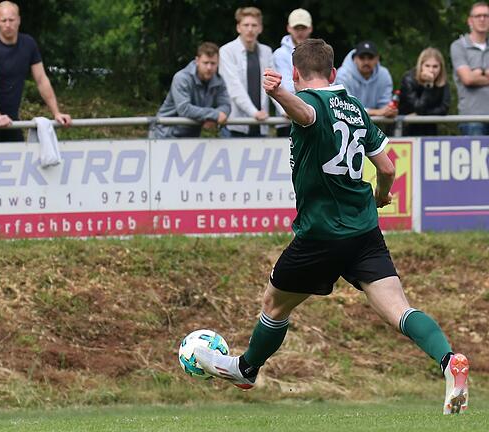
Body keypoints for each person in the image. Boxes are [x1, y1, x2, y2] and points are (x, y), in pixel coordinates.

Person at [194, 39, 469, 416]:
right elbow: (387, 168)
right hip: (363, 232)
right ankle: (449, 360)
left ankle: (245, 370)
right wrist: (381, 195)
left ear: (295, 73)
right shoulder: (355, 108)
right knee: (399, 310)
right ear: (335, 72)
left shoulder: (313, 104)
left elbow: (305, 113)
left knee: (274, 305)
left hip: (321, 234)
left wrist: (278, 94)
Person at [0, 1, 72, 143]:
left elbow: (41, 80)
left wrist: (56, 113)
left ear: (19, 20)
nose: (8, 25)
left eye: (11, 20)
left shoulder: (28, 44)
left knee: (19, 158)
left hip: (11, 118)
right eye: (3, 20)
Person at [149, 42, 230, 139]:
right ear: (197, 61)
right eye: (205, 63)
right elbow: (184, 109)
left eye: (213, 63)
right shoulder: (182, 78)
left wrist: (215, 117)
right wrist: (214, 115)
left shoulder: (219, 80)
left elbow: (226, 105)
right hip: (164, 135)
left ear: (218, 63)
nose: (209, 67)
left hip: (190, 138)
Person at [219, 6, 272, 137]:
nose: (250, 29)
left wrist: (285, 111)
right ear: (238, 27)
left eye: (254, 25)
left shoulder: (267, 51)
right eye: (246, 25)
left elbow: (273, 84)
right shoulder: (226, 51)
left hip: (260, 126)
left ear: (260, 28)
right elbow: (234, 87)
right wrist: (254, 112)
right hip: (234, 125)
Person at [272, 8, 313, 137]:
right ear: (289, 28)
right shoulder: (279, 54)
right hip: (287, 120)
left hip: (314, 116)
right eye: (297, 28)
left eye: (303, 28)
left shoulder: (318, 52)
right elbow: (286, 86)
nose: (300, 32)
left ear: (310, 28)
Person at [450, 1, 489, 135]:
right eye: (478, 16)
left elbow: (473, 77)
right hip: (472, 118)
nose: (482, 19)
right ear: (470, 21)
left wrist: (478, 73)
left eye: (486, 15)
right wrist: (486, 72)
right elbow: (467, 79)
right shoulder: (458, 46)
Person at [335, 41, 397, 118]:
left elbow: (384, 106)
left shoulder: (384, 75)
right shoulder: (343, 75)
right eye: (362, 58)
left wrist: (389, 111)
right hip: (347, 123)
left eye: (370, 58)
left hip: (374, 125)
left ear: (377, 58)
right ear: (355, 58)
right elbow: (346, 107)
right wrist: (377, 112)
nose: (366, 62)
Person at [399, 47, 450, 136]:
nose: (431, 70)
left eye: (435, 66)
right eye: (427, 66)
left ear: (441, 68)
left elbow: (443, 109)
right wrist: (428, 86)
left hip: (430, 129)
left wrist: (422, 114)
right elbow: (418, 107)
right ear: (421, 66)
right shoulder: (409, 79)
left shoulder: (442, 82)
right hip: (406, 130)